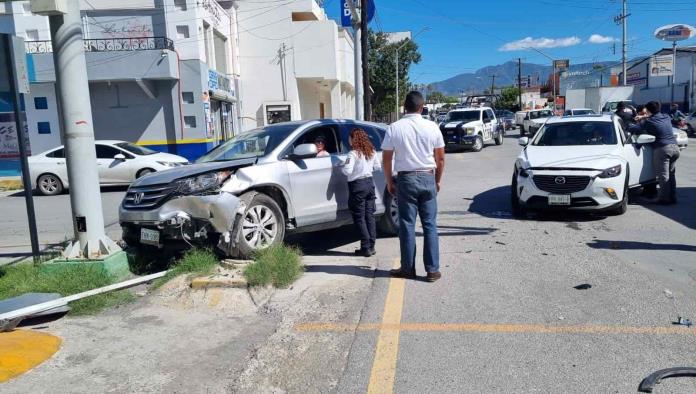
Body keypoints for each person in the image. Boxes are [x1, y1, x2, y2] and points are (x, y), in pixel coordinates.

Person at [382, 91, 446, 282]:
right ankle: (432, 270)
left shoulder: (394, 128)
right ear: (422, 107)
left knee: (407, 225)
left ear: (404, 107)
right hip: (427, 177)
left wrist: (389, 182)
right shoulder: (432, 127)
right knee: (430, 225)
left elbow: (386, 160)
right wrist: (437, 181)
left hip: (406, 179)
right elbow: (440, 158)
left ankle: (408, 268)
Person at [628, 101, 680, 205]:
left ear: (648, 110)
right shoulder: (666, 117)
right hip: (675, 148)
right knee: (671, 174)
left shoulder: (649, 122)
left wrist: (629, 124)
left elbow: (635, 129)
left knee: (663, 175)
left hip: (663, 149)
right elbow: (655, 118)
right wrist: (643, 117)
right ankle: (672, 197)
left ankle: (664, 199)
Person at [341, 129, 380, 257]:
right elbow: (377, 167)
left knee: (359, 217)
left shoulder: (352, 154)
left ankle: (365, 246)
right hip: (369, 184)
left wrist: (342, 165)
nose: (348, 140)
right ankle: (371, 245)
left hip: (357, 186)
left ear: (354, 139)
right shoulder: (371, 152)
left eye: (349, 138)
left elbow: (347, 171)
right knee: (369, 215)